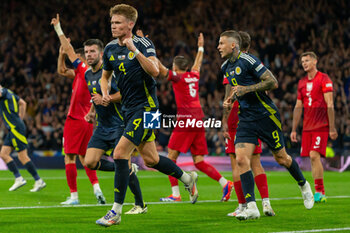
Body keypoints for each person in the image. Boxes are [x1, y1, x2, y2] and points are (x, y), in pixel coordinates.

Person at [96, 4, 198, 227]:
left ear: (130, 24)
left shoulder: (144, 44)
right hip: (128, 110)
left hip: (148, 108)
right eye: (112, 22)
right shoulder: (110, 49)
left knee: (120, 153)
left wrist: (134, 49)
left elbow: (154, 71)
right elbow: (105, 76)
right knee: (151, 159)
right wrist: (105, 92)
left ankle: (116, 211)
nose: (113, 26)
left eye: (118, 22)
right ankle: (187, 178)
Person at [218, 30, 314, 221]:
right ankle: (252, 207)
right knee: (241, 159)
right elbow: (229, 93)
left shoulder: (249, 61)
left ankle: (304, 185)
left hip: (265, 115)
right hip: (246, 118)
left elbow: (273, 82)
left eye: (221, 43)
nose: (218, 47)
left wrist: (246, 89)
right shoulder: (225, 67)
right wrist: (227, 109)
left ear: (233, 45)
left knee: (282, 158)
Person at [156, 32, 233, 203]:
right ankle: (225, 183)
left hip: (186, 120)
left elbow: (161, 70)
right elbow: (197, 64)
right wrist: (201, 47)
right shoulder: (194, 76)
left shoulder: (178, 78)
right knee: (198, 161)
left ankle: (176, 194)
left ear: (175, 68)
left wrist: (147, 51)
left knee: (170, 158)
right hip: (199, 119)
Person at [82, 38, 147, 214]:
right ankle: (127, 168)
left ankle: (140, 204)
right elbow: (95, 96)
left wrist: (108, 98)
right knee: (90, 162)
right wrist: (92, 111)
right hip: (102, 127)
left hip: (119, 124)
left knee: (122, 161)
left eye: (92, 51)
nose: (89, 55)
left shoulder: (112, 73)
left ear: (101, 54)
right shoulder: (88, 74)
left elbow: (123, 94)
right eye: (86, 52)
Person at [51, 14, 105, 205]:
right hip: (88, 121)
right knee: (85, 157)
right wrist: (61, 55)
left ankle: (74, 196)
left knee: (69, 157)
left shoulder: (83, 70)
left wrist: (58, 29)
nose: (84, 57)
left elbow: (68, 49)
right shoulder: (100, 76)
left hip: (74, 119)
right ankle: (97, 189)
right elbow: (62, 70)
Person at [223, 31, 274, 217]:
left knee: (237, 162)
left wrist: (223, 123)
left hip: (238, 117)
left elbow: (227, 96)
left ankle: (244, 205)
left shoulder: (232, 65)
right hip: (254, 114)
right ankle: (266, 203)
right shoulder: (254, 63)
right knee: (255, 161)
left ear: (234, 45)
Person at [291, 51, 337, 203]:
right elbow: (298, 107)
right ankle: (319, 191)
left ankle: (320, 192)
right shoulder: (302, 83)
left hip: (321, 125)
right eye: (302, 61)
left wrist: (332, 127)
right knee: (311, 159)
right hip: (307, 128)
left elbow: (330, 104)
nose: (304, 63)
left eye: (307, 60)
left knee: (313, 155)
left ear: (315, 62)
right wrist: (293, 129)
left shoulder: (324, 79)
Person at [0, 86, 46, 192]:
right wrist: (20, 117)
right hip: (13, 128)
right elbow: (23, 103)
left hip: (16, 128)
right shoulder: (10, 92)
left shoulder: (4, 92)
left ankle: (39, 180)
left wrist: (18, 120)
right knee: (3, 154)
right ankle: (18, 178)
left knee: (22, 157)